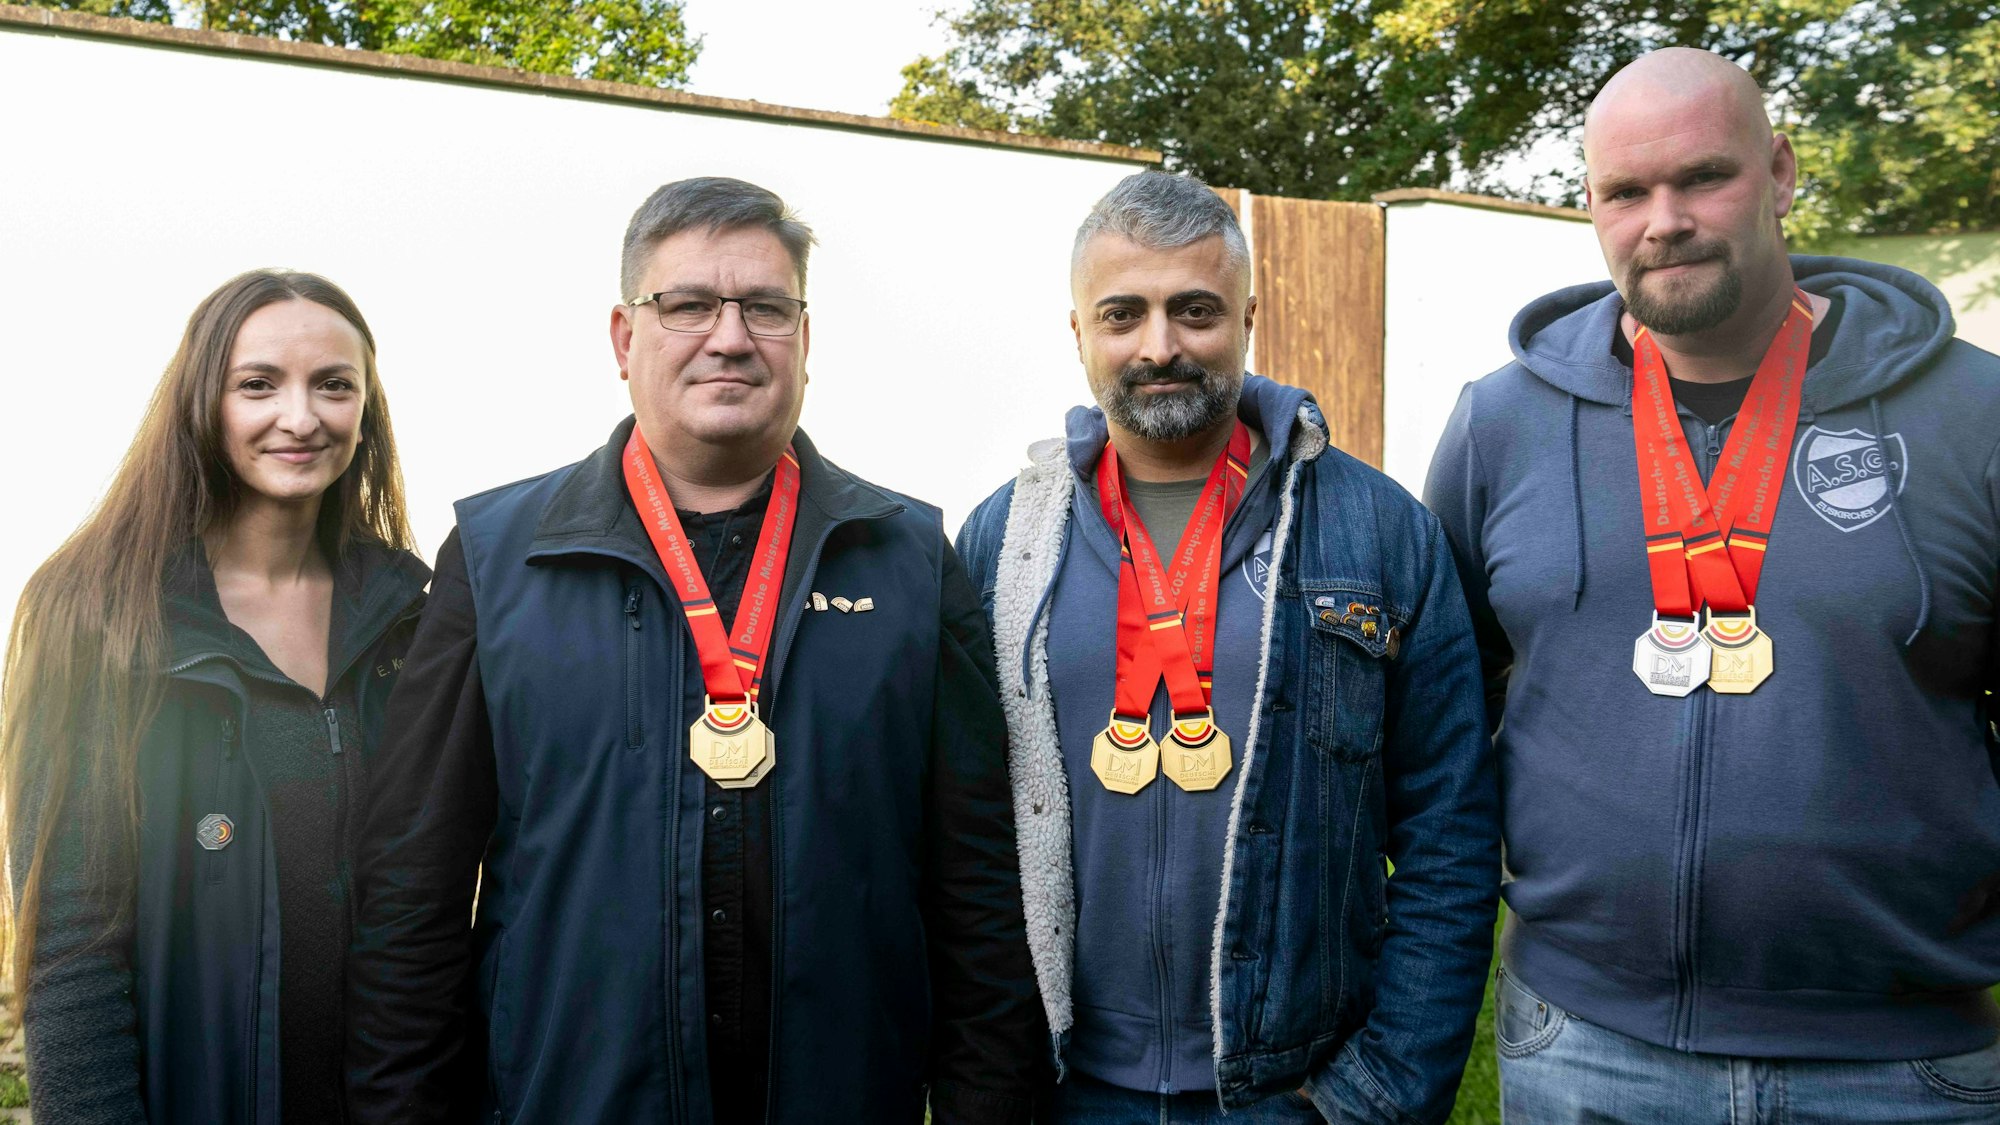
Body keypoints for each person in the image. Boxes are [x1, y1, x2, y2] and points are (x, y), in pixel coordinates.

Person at [344, 176, 1041, 1124]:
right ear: (626, 339)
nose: (730, 336)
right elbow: (412, 888)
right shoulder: (498, 557)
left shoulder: (910, 557)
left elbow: (979, 898)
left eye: (765, 306)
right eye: (688, 306)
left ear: (805, 337)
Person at [1425, 47, 2000, 1122]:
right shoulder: (1498, 424)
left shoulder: (1969, 415)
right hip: (1583, 1047)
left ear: (1777, 172)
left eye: (1701, 177)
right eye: (1624, 192)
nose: (1663, 220)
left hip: (1902, 1063)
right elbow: (1449, 695)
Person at [957, 171, 1498, 1124]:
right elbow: (956, 838)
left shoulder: (1380, 531)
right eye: (1122, 314)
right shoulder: (1004, 539)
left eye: (1194, 310)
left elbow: (1449, 837)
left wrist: (1377, 1093)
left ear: (1249, 316)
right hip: (1061, 1089)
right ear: (1077, 332)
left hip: (1296, 1090)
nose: (1159, 345)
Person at [1, 270, 427, 1124]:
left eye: (334, 386)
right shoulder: (96, 611)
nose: (301, 417)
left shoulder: (411, 612)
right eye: (258, 384)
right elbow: (71, 947)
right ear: (202, 401)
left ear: (367, 410)